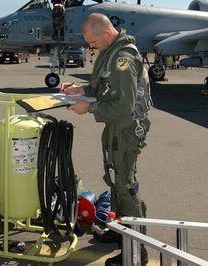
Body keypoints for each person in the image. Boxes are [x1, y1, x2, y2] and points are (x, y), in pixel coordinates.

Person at [61, 13, 149, 266]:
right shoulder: (110, 52)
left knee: (125, 185)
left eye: (92, 43)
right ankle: (122, 231)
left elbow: (123, 106)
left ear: (107, 35)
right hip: (115, 127)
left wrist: (87, 108)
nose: (91, 48)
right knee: (114, 179)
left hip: (126, 129)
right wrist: (81, 90)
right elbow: (104, 89)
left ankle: (137, 250)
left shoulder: (123, 58)